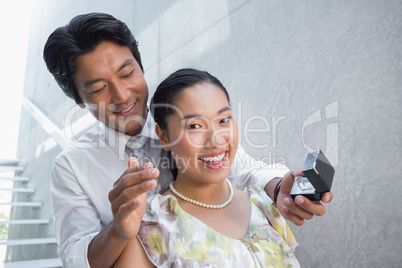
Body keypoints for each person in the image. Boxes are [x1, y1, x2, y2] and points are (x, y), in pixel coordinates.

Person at [43, 12, 332, 268]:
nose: (121, 95)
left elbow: (242, 166)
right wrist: (119, 230)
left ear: (141, 68)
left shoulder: (178, 112)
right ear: (79, 100)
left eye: (128, 73)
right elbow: (75, 257)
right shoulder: (72, 166)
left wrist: (280, 187)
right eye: (98, 89)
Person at [114, 68, 300, 267]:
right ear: (164, 137)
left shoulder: (262, 204)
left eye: (223, 120)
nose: (216, 139)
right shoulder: (154, 230)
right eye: (194, 126)